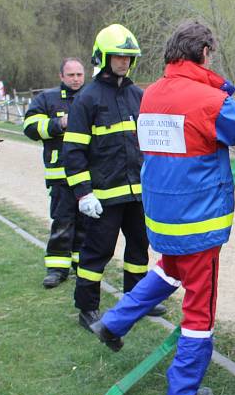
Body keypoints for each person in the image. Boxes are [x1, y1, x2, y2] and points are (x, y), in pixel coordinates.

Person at [89, 20, 235, 395]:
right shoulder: (208, 101)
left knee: (168, 272)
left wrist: (229, 101)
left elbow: (196, 127)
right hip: (197, 223)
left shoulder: (152, 93)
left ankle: (113, 323)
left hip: (163, 219)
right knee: (199, 313)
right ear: (205, 53)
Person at [62, 24, 165, 332]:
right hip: (103, 197)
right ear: (103, 57)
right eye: (118, 56)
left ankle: (136, 300)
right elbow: (73, 151)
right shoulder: (87, 99)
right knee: (96, 254)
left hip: (137, 195)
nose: (124, 62)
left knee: (138, 249)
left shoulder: (138, 96)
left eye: (128, 57)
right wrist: (83, 193)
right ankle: (87, 308)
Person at [23, 57, 88, 288]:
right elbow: (30, 127)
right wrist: (58, 124)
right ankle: (57, 269)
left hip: (88, 175)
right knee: (62, 222)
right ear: (61, 76)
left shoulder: (91, 96)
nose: (76, 79)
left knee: (86, 224)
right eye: (71, 75)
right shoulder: (46, 99)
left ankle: (83, 266)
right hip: (60, 174)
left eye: (79, 74)